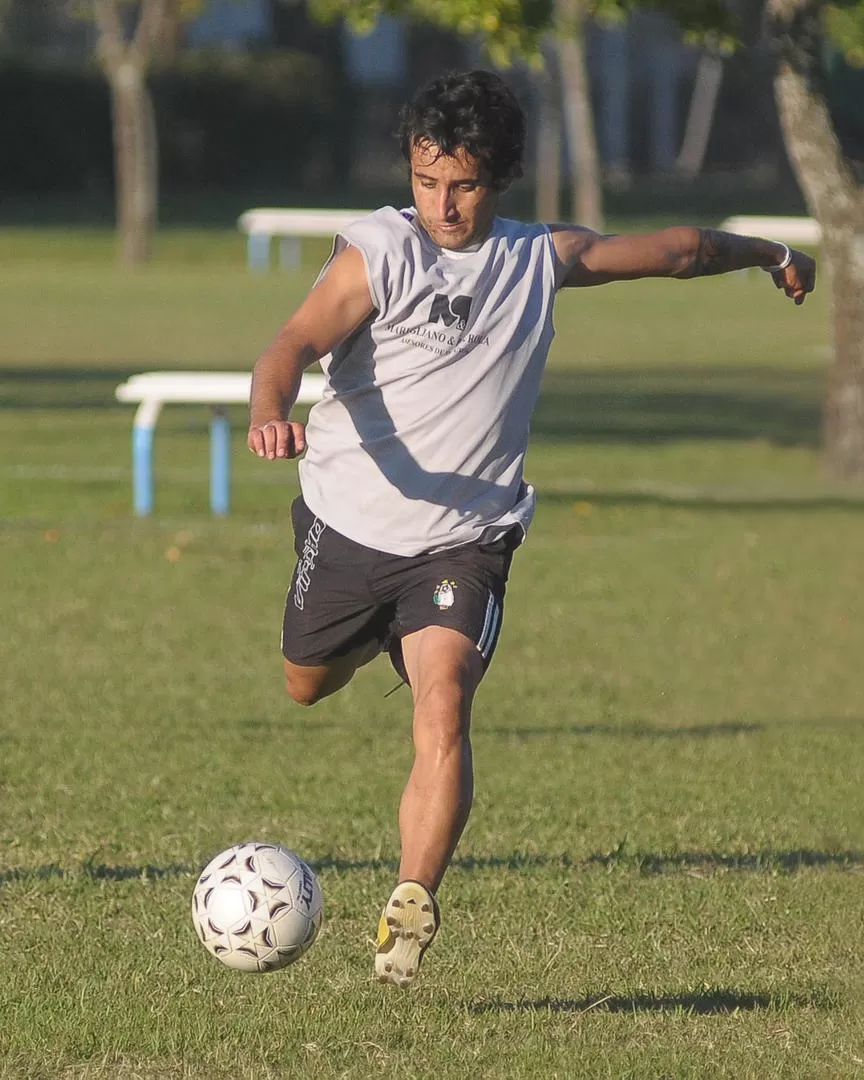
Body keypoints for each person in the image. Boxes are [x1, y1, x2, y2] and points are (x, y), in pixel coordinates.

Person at [247, 69, 816, 989]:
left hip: (465, 539)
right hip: (349, 522)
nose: (443, 205)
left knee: (445, 701)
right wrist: (269, 411)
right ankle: (361, 640)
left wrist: (762, 252)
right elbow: (290, 345)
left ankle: (412, 902)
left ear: (499, 178)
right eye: (427, 181)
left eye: (463, 185)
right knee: (304, 682)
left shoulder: (535, 258)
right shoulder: (377, 252)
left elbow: (673, 251)